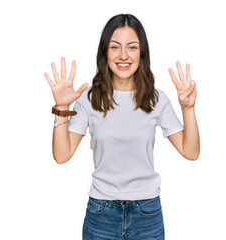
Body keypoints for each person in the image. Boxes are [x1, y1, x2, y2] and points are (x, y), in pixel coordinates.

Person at [44, 13, 199, 240]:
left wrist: (188, 108)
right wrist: (61, 107)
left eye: (132, 47)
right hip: (101, 214)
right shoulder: (89, 98)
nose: (124, 55)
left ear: (142, 52)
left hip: (147, 214)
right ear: (105, 52)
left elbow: (191, 151)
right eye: (115, 47)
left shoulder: (156, 99)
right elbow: (61, 155)